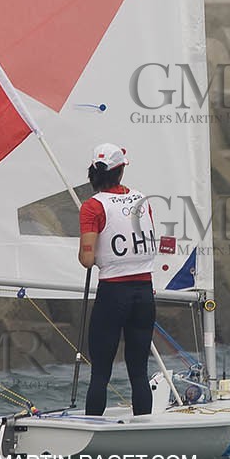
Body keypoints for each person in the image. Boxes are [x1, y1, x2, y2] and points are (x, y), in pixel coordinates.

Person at [77, 144, 156, 418]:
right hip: (145, 295)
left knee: (100, 373)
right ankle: (144, 429)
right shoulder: (141, 199)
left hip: (113, 294)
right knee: (139, 372)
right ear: (121, 171)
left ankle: (91, 431)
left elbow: (86, 260)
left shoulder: (92, 207)